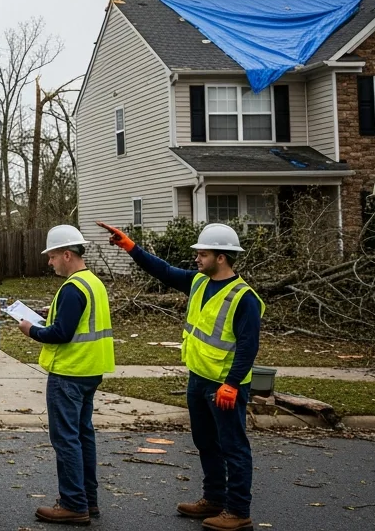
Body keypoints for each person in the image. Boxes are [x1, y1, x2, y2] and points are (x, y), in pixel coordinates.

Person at [98, 221, 263, 531]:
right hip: (198, 378)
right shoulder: (199, 282)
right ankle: (214, 498)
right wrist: (130, 247)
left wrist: (231, 384)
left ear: (222, 257)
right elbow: (164, 271)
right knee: (205, 442)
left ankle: (238, 511)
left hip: (225, 386)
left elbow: (248, 346)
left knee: (233, 447)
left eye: (202, 254)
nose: (197, 259)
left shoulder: (244, 298)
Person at [17, 224, 115, 526]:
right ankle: (89, 500)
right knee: (83, 435)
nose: (50, 262)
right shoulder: (93, 283)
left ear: (67, 254)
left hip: (69, 372)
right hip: (90, 370)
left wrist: (30, 329)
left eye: (53, 256)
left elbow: (61, 333)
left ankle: (73, 503)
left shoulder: (73, 288)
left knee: (66, 439)